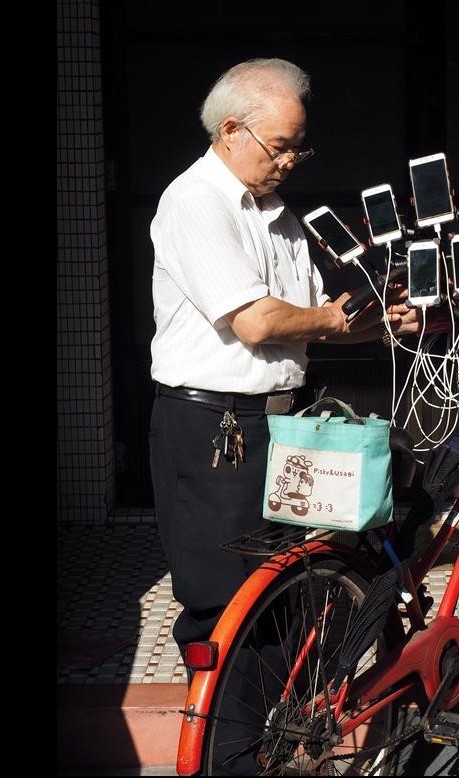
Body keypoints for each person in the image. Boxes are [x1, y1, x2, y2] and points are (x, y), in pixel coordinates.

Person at [148, 57, 421, 661]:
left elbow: (312, 319)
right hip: (215, 430)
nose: (289, 161)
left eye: (300, 150)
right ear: (230, 131)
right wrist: (332, 318)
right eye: (279, 147)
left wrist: (380, 323)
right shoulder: (195, 203)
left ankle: (289, 738)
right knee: (228, 607)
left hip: (286, 420)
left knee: (294, 588)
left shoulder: (278, 215)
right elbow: (258, 321)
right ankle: (233, 751)